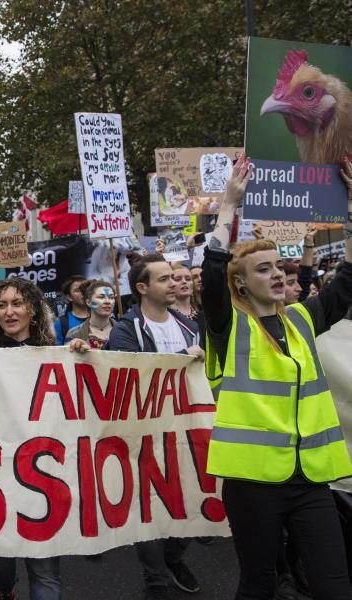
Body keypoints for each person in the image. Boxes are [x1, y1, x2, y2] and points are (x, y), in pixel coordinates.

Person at [203, 155, 352, 600]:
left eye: (279, 267)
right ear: (243, 284)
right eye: (263, 268)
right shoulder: (228, 325)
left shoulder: (304, 318)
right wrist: (228, 205)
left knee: (334, 587)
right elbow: (212, 274)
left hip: (309, 481)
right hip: (254, 486)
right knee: (260, 584)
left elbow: (348, 279)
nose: (278, 274)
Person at [105, 253, 204, 600]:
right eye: (164, 279)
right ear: (142, 287)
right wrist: (181, 361)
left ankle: (172, 558)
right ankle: (156, 581)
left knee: (193, 503)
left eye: (176, 277)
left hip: (188, 433)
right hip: (143, 436)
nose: (175, 282)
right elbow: (129, 377)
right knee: (147, 509)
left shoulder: (191, 326)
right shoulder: (125, 330)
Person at [0, 277, 63, 600]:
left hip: (43, 475)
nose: (9, 312)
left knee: (45, 570)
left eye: (17, 304)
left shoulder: (55, 355)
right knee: (2, 566)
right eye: (2, 305)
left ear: (32, 311)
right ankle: (5, 589)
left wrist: (81, 357)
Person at [65, 280, 117, 349]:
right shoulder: (74, 334)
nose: (107, 301)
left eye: (111, 297)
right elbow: (68, 358)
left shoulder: (125, 329)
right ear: (88, 302)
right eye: (101, 297)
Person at [54, 275, 88, 344]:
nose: (83, 293)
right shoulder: (61, 323)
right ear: (69, 297)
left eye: (85, 289)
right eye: (77, 290)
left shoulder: (101, 317)